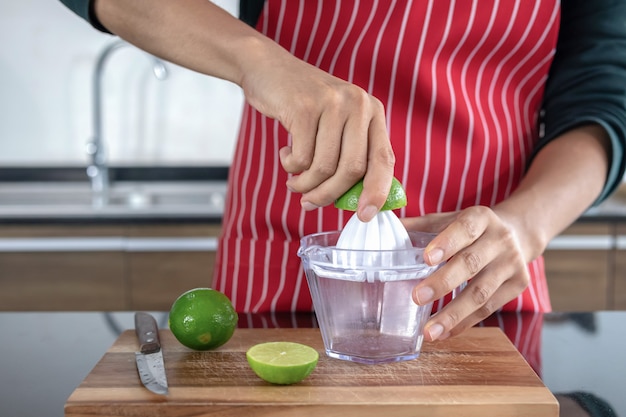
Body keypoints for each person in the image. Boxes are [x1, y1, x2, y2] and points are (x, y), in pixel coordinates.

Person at [59, 0, 626, 342]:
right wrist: (259, 61)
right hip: (277, 275)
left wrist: (525, 226)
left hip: (477, 290)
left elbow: (604, 97)